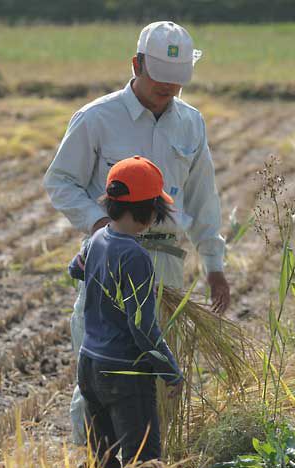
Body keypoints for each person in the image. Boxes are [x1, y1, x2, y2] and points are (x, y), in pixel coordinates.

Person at [44, 21, 230, 445]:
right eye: (160, 83)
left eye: (176, 86)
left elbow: (204, 200)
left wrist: (215, 265)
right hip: (109, 263)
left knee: (160, 370)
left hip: (166, 265)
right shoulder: (97, 118)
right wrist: (101, 228)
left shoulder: (190, 124)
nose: (168, 93)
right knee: (101, 369)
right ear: (136, 64)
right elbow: (60, 182)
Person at [69, 156, 183, 468]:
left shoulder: (98, 238)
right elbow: (143, 327)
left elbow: (74, 269)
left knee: (101, 459)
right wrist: (171, 372)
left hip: (89, 365)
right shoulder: (136, 257)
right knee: (144, 465)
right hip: (125, 373)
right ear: (149, 212)